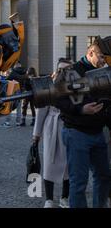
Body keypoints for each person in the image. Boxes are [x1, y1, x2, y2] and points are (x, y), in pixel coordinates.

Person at [56, 41, 111, 208]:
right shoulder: (70, 72)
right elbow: (57, 99)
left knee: (103, 177)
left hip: (97, 132)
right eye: (101, 57)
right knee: (79, 182)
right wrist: (81, 109)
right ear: (91, 53)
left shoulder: (104, 72)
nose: (104, 61)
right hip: (76, 132)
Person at [33, 59, 72, 208]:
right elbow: (41, 111)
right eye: (61, 69)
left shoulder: (75, 85)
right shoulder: (49, 86)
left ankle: (64, 197)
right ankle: (49, 199)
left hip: (69, 126)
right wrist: (36, 134)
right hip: (52, 126)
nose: (64, 73)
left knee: (68, 165)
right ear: (56, 70)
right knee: (49, 163)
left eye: (67, 69)